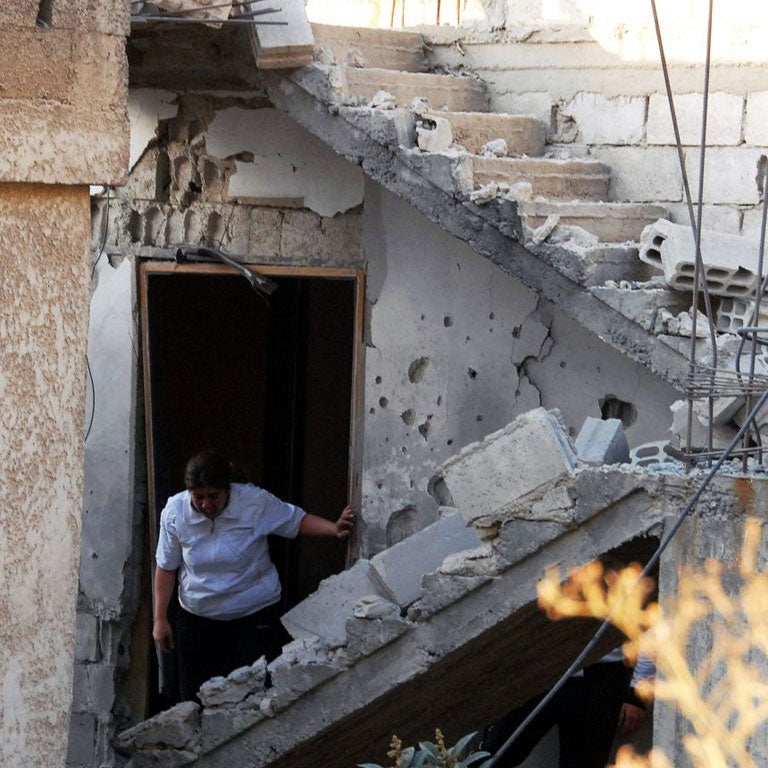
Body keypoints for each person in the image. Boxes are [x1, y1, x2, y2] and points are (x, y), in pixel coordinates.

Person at [153, 450, 354, 702]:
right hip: (199, 619)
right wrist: (160, 619)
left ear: (228, 490)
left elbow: (295, 520)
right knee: (195, 701)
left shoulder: (254, 502)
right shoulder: (174, 512)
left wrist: (333, 529)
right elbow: (166, 567)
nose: (206, 504)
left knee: (258, 696)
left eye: (213, 496)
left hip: (254, 614)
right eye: (199, 497)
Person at [480, 650, 654, 768]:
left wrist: (637, 693)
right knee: (491, 754)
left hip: (601, 679)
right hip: (542, 670)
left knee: (583, 762)